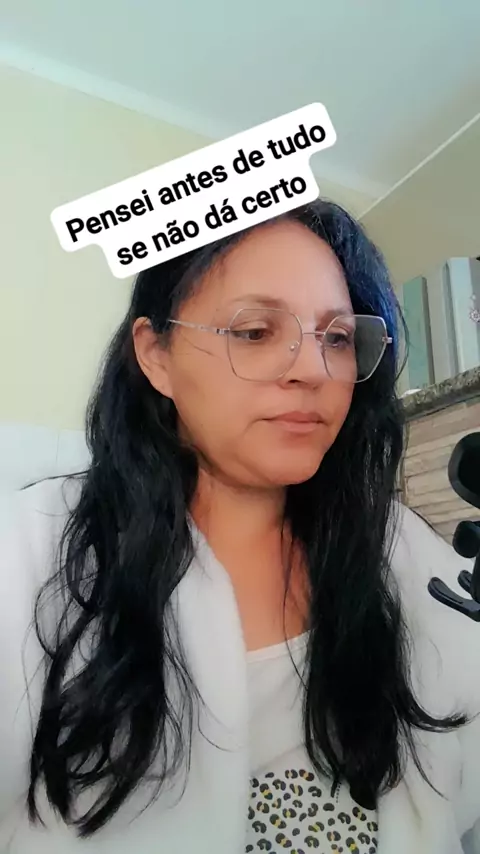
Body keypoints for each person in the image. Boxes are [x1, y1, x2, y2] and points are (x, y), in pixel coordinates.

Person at [1, 200, 480, 854]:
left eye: (338, 338)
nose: (312, 369)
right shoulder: (30, 553)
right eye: (255, 332)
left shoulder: (398, 548)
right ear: (156, 355)